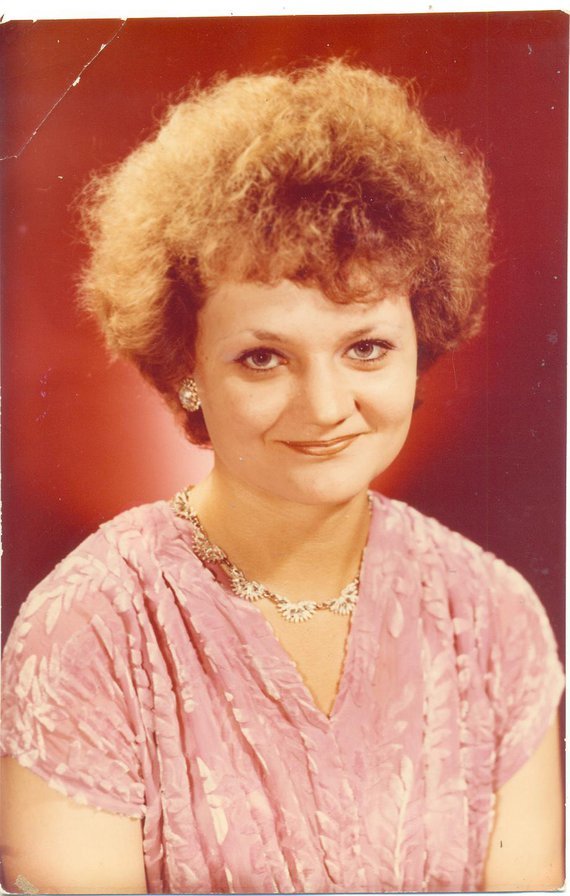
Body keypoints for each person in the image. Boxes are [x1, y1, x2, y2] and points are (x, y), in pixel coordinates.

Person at [0, 59, 563, 894]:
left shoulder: (491, 616)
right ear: (186, 368)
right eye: (264, 357)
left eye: (365, 347)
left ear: (420, 346)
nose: (326, 407)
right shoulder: (91, 632)